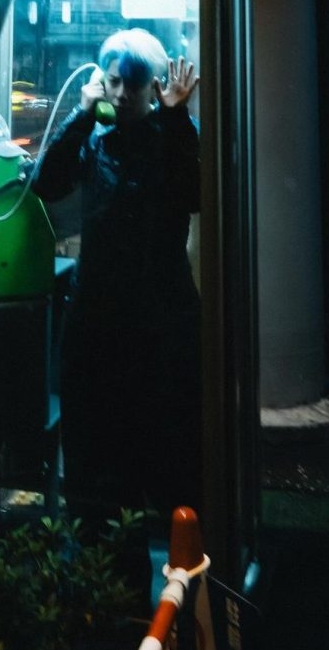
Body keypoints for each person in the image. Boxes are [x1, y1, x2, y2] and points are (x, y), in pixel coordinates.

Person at [31, 28, 202, 544]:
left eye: (135, 83)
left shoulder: (173, 133)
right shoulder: (94, 141)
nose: (124, 94)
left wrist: (174, 115)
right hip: (98, 320)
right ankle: (106, 586)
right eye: (114, 82)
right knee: (98, 467)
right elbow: (45, 183)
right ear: (101, 83)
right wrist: (83, 114)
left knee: (169, 463)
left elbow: (192, 193)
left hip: (160, 319)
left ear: (153, 86)